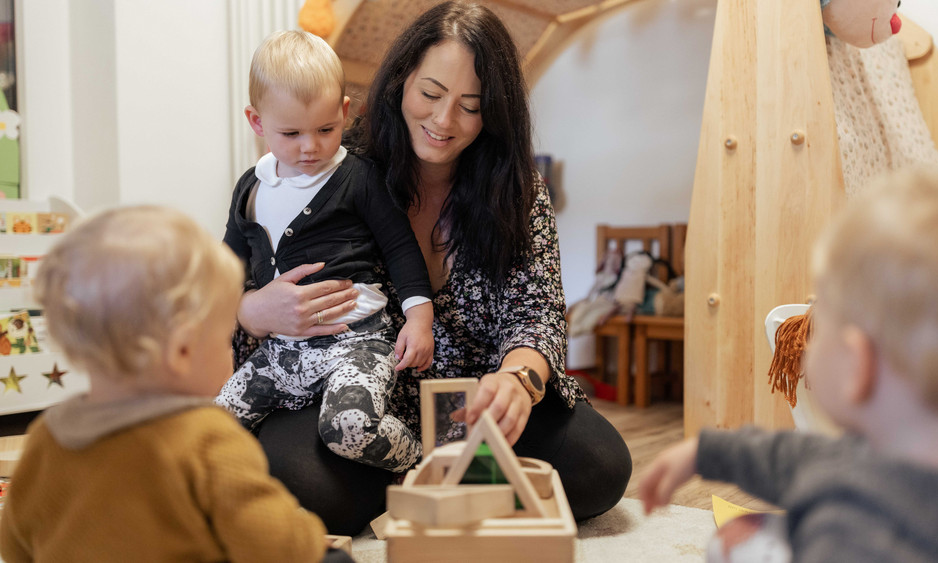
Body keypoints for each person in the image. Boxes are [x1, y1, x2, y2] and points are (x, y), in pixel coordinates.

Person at [231, 2, 632, 535]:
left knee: (599, 467)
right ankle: (442, 481)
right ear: (401, 83)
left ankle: (426, 488)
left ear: (495, 110)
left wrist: (517, 379)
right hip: (361, 396)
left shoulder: (516, 187)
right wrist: (253, 309)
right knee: (292, 476)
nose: (445, 121)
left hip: (478, 404)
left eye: (471, 105)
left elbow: (537, 310)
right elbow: (238, 275)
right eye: (431, 94)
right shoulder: (335, 166)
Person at [639, 166, 938, 562]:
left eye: (818, 318)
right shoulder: (881, 460)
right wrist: (704, 452)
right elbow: (809, 459)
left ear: (857, 365)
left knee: (734, 543)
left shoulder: (850, 533)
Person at [0, 206, 349, 563]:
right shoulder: (206, 438)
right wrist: (308, 534)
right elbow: (277, 546)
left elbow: (15, 548)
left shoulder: (47, 438)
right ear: (183, 350)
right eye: (224, 335)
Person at [218, 30, 434, 472]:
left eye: (325, 129)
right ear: (257, 123)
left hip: (358, 343)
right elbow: (224, 267)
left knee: (349, 428)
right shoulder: (251, 187)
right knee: (214, 423)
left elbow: (400, 249)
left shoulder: (359, 178)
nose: (310, 146)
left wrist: (419, 317)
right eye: (291, 133)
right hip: (281, 351)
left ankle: (424, 463)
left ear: (344, 112)